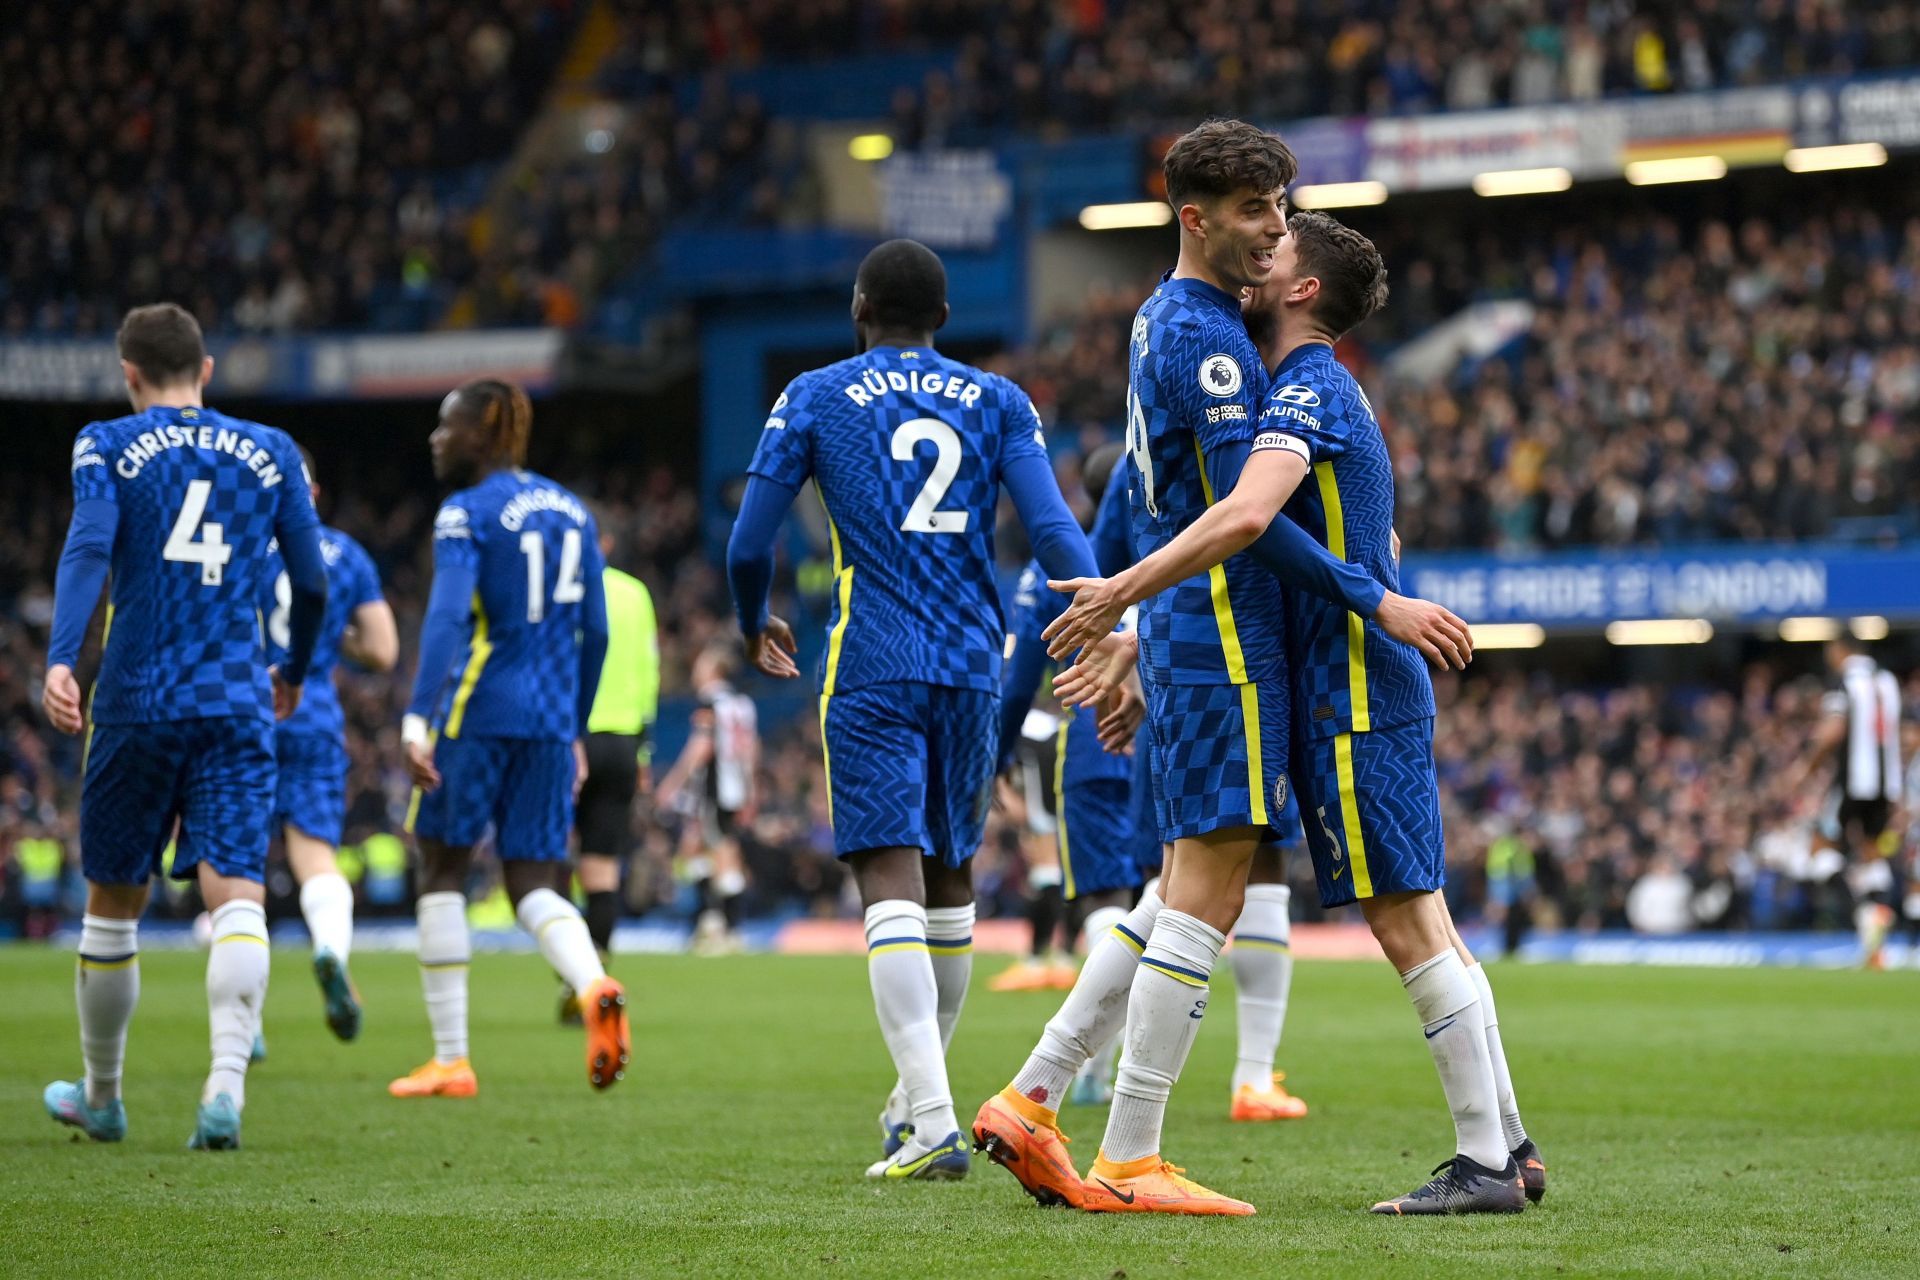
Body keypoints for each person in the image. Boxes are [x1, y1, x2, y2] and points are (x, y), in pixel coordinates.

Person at [977, 122, 1472, 1218]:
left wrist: (1134, 631)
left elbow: (1170, 500)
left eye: (1283, 208)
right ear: (1195, 216)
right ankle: (1132, 1146)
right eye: (1257, 209)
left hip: (1194, 639)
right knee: (1209, 879)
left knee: (1181, 885)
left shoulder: (1173, 317)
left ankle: (1035, 1091)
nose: (1274, 229)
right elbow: (1240, 516)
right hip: (1227, 643)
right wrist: (1367, 591)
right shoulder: (1207, 339)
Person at [726, 238, 1109, 1181]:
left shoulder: (814, 394)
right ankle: (913, 1105)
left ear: (860, 311)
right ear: (945, 318)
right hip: (973, 665)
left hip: (872, 659)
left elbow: (748, 543)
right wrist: (1105, 611)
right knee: (950, 881)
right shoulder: (1000, 400)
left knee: (887, 877)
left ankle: (932, 1118)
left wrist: (751, 620)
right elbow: (1055, 527)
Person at [41, 302, 328, 1150]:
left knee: (113, 904)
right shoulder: (274, 450)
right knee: (237, 891)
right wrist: (296, 670)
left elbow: (88, 548)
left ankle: (102, 1096)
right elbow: (309, 582)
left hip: (137, 697)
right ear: (206, 370)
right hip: (238, 696)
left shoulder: (105, 443)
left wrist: (64, 658)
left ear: (129, 373)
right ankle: (226, 1092)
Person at [392, 379, 625, 1098]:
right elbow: (598, 632)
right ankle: (592, 985)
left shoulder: (465, 513)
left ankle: (452, 1059)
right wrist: (574, 725)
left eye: (446, 425)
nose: (435, 438)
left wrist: (418, 717)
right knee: (533, 883)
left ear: (483, 434)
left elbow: (447, 619)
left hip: (478, 712)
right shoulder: (573, 511)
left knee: (440, 871)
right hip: (552, 723)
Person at [260, 447, 398, 1043]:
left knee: (233, 865)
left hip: (243, 709)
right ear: (313, 494)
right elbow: (385, 652)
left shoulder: (236, 548)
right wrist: (330, 634)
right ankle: (332, 952)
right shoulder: (347, 554)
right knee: (316, 856)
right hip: (311, 710)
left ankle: (242, 1016)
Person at [562, 522, 659, 1020]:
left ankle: (572, 975)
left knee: (550, 858)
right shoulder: (635, 593)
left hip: (567, 738)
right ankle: (596, 976)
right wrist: (643, 753)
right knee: (602, 868)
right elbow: (648, 673)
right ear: (608, 542)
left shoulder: (561, 587)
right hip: (621, 741)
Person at [1793, 636, 1904, 967]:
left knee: (1820, 848)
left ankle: (1864, 915)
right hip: (1887, 785)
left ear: (1839, 651)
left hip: (1854, 780)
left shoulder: (1845, 681)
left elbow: (1832, 732)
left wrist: (1805, 767)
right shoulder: (1888, 680)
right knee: (1872, 854)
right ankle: (1876, 942)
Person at [655, 644, 759, 952]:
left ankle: (728, 926)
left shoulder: (710, 702)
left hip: (714, 788)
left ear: (714, 670)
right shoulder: (742, 704)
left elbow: (701, 748)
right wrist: (751, 791)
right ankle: (709, 920)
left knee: (722, 853)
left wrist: (671, 784)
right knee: (695, 849)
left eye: (701, 664)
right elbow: (752, 750)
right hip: (734, 788)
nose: (696, 669)